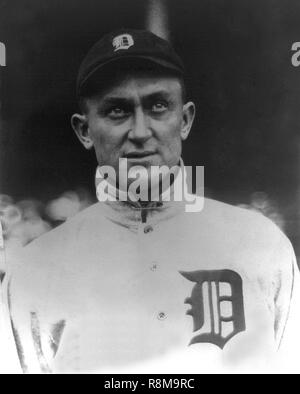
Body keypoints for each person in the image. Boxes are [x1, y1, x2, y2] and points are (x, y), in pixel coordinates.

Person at [4, 29, 300, 374]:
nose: (141, 132)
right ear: (84, 131)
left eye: (158, 106)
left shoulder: (259, 244)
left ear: (185, 120)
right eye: (117, 111)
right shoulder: (36, 270)